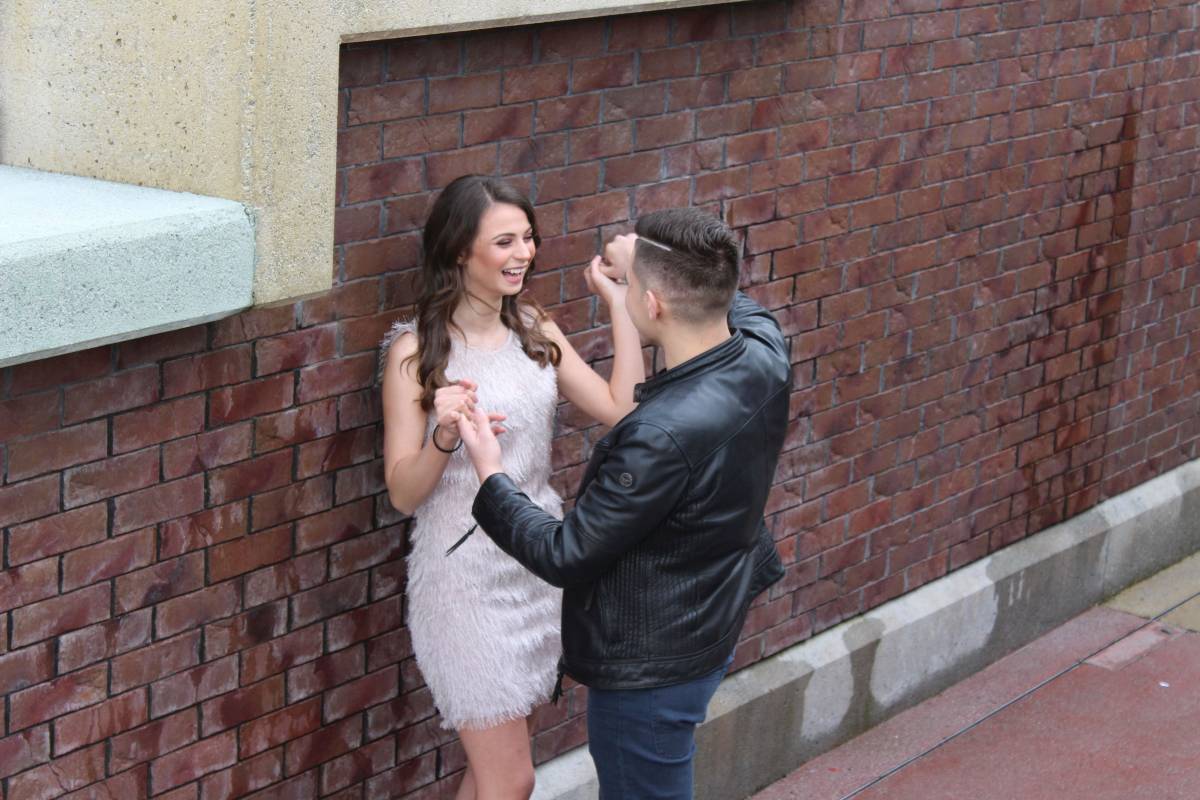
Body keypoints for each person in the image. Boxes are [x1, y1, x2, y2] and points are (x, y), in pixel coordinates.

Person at [454, 207, 792, 799]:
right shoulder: (765, 352)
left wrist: (491, 474)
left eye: (634, 287)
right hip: (707, 622)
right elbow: (722, 294)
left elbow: (565, 552)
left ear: (653, 305)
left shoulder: (659, 435)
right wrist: (646, 263)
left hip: (650, 671)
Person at [378, 174, 643, 800]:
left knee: (490, 777)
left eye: (528, 238)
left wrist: (620, 305)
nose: (524, 253)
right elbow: (402, 494)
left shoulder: (533, 327)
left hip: (536, 564)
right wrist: (444, 436)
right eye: (504, 242)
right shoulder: (416, 352)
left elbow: (621, 408)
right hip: (464, 579)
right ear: (458, 251)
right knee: (512, 780)